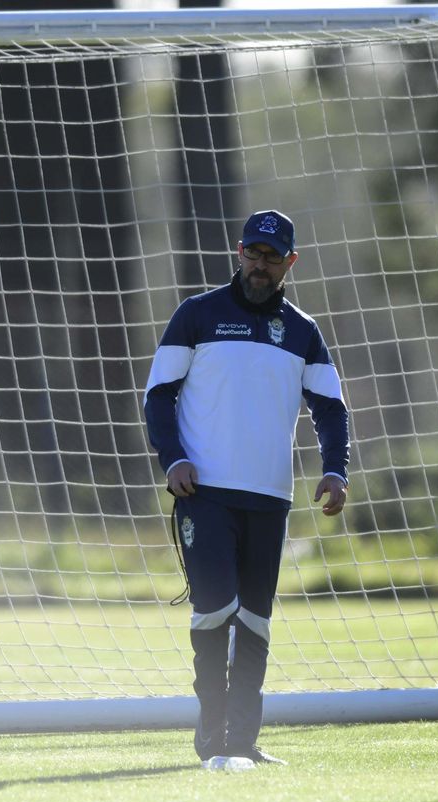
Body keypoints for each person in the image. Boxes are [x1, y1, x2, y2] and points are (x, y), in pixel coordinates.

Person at [143, 209, 350, 771]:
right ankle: (212, 737)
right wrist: (174, 460)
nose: (261, 265)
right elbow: (158, 395)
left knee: (255, 620)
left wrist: (336, 469)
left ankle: (243, 742)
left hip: (270, 498)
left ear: (291, 262)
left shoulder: (303, 331)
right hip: (203, 493)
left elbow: (330, 409)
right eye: (253, 254)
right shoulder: (198, 315)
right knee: (214, 612)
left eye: (272, 257)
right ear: (239, 253)